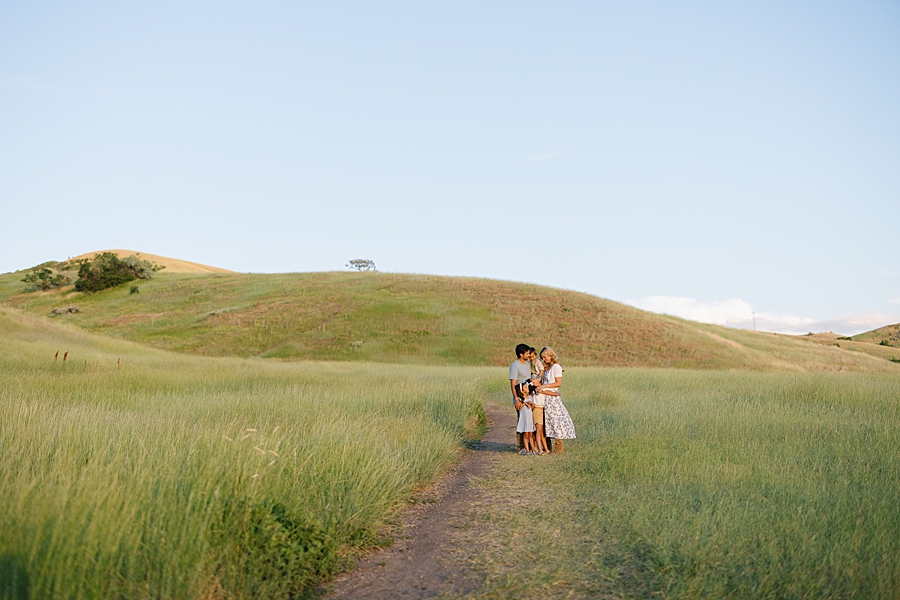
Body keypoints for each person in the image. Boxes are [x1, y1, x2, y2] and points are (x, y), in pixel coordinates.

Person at [536, 346, 575, 453]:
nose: (544, 359)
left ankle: (559, 448)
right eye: (542, 358)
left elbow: (558, 383)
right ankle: (547, 447)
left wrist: (544, 386)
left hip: (552, 397)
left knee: (556, 422)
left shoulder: (556, 367)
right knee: (545, 422)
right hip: (544, 397)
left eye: (545, 357)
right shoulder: (546, 367)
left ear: (550, 355)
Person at [509, 343, 532, 452]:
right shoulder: (515, 366)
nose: (528, 355)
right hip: (520, 397)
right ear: (521, 354)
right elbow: (513, 384)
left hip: (528, 396)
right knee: (521, 421)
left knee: (529, 421)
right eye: (527, 353)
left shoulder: (527, 364)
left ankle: (529, 446)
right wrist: (517, 399)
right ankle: (521, 447)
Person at [516, 381, 537, 455]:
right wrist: (524, 403)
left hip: (529, 418)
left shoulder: (530, 397)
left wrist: (531, 404)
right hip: (524, 418)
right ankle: (527, 450)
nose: (527, 388)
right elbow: (518, 407)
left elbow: (532, 408)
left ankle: (533, 449)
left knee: (531, 434)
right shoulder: (519, 398)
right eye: (525, 387)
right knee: (526, 434)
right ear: (522, 390)